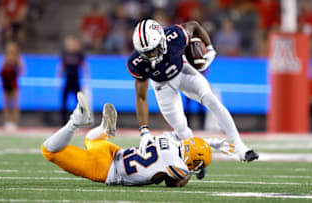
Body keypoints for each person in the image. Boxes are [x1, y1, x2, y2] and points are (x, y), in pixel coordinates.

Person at [126, 19, 258, 162]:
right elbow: (141, 97)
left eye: (153, 50)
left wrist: (210, 48)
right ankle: (199, 157)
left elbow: (194, 25)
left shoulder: (175, 35)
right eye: (146, 53)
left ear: (162, 40)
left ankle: (240, 147)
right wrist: (144, 131)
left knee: (211, 100)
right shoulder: (136, 62)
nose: (151, 56)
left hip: (183, 72)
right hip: (162, 86)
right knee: (183, 131)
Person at [41, 92, 234, 186]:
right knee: (48, 150)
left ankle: (103, 130)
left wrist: (207, 144)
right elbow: (173, 183)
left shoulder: (170, 140)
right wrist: (194, 169)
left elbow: (187, 143)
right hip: (108, 170)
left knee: (90, 142)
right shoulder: (179, 166)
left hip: (114, 152)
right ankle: (76, 121)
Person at [57, 35, 86, 124]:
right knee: (64, 101)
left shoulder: (79, 54)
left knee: (79, 101)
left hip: (76, 81)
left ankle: (81, 119)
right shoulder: (65, 54)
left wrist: (86, 79)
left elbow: (84, 66)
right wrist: (58, 78)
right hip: (67, 80)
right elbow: (61, 66)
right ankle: (63, 120)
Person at [0, 41, 24, 130]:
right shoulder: (4, 59)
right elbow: (0, 71)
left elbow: (22, 71)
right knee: (6, 104)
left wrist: (16, 71)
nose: (10, 50)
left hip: (13, 83)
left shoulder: (18, 59)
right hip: (6, 83)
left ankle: (15, 123)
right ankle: (6, 122)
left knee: (15, 104)